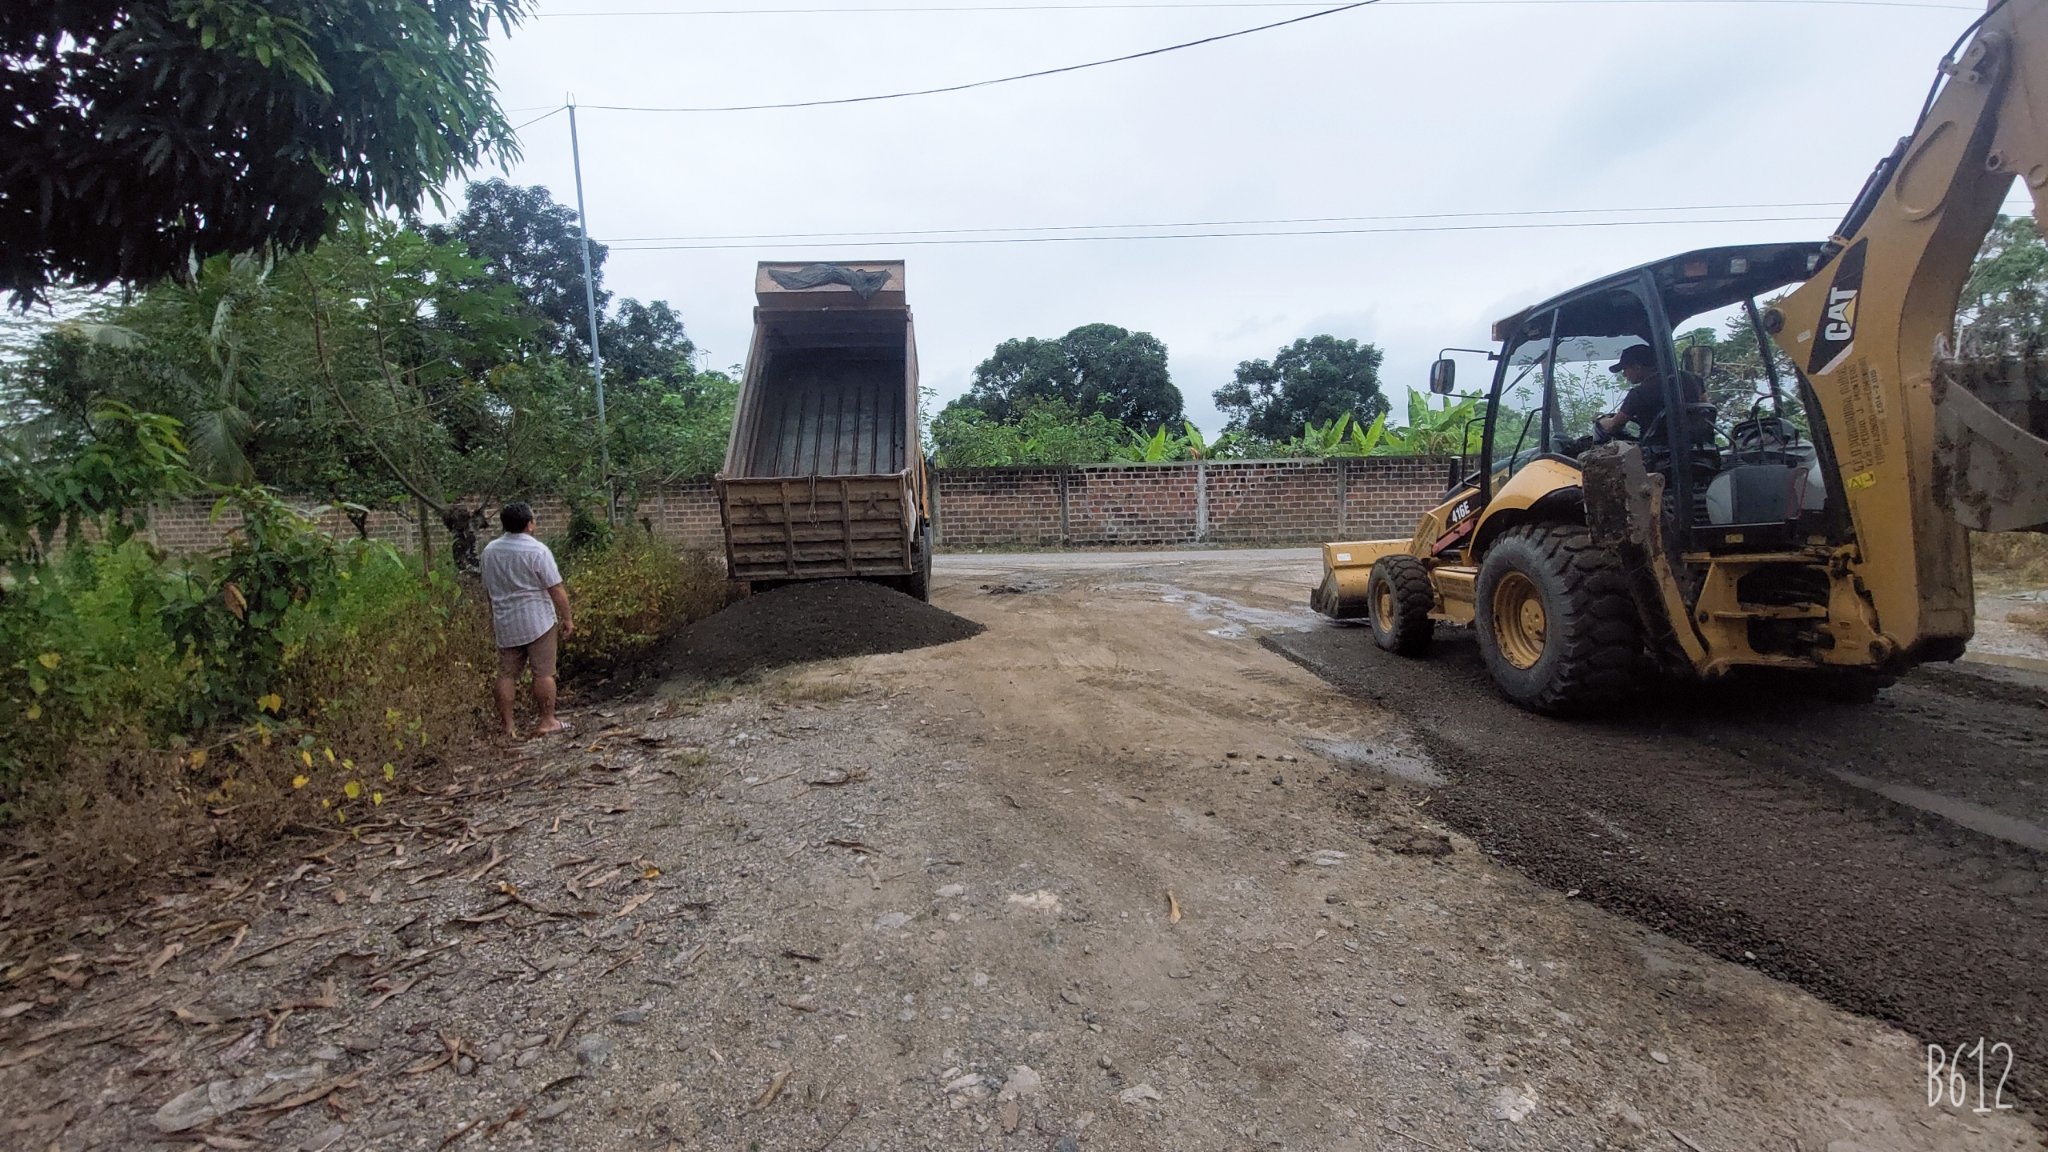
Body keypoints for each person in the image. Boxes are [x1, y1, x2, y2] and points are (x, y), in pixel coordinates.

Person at [480, 502, 573, 738]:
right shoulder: (537, 551)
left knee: (507, 674)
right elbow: (555, 587)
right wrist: (567, 618)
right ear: (529, 524)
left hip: (505, 619)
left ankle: (508, 725)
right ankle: (547, 720)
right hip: (537, 620)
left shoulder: (489, 551)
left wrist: (493, 616)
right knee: (543, 673)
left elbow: (488, 589)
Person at [1596, 343, 1703, 439]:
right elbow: (1705, 408)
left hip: (1657, 451)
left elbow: (1613, 426)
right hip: (1697, 444)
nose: (1624, 374)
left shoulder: (1639, 394)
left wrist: (1602, 421)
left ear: (1637, 367)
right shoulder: (1693, 379)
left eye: (1625, 369)